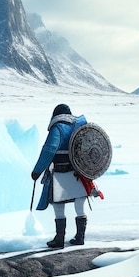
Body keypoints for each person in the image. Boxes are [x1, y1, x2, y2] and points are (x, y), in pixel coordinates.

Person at [31, 104, 88, 249]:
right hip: (79, 171)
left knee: (58, 204)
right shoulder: (79, 125)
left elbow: (49, 149)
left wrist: (38, 170)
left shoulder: (58, 128)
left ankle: (59, 238)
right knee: (79, 203)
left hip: (60, 172)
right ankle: (80, 236)